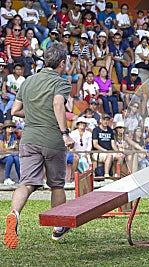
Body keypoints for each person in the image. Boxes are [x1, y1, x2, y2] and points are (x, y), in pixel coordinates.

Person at [4, 43, 75, 249]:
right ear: (62, 63)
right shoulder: (61, 82)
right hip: (52, 139)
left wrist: (36, 112)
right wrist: (65, 134)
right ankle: (58, 226)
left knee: (26, 183)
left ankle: (14, 214)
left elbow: (16, 110)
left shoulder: (27, 82)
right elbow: (57, 104)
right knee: (57, 184)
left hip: (29, 139)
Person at [92, 113, 123, 177]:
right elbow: (95, 144)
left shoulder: (110, 130)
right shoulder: (96, 130)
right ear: (101, 120)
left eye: (107, 120)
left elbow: (113, 143)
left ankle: (117, 174)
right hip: (98, 152)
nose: (106, 121)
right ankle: (106, 175)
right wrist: (105, 150)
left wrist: (118, 151)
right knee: (109, 155)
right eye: (104, 120)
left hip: (109, 151)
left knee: (121, 156)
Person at [0, 120, 20, 186]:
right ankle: (7, 178)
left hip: (11, 154)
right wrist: (11, 147)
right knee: (10, 158)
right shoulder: (1, 136)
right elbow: (2, 149)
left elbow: (16, 149)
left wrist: (16, 145)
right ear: (5, 129)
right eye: (8, 127)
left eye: (12, 127)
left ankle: (21, 178)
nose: (10, 128)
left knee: (17, 158)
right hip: (2, 156)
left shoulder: (14, 135)